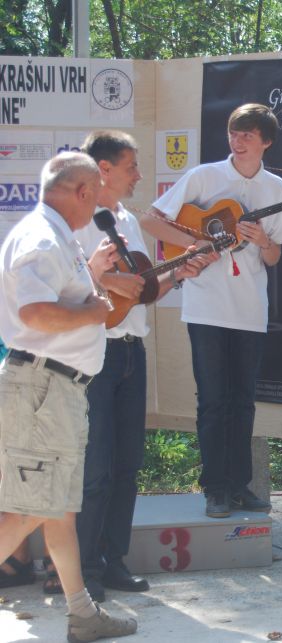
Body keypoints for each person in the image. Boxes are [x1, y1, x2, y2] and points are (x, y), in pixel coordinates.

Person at [0, 151, 137, 641]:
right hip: (44, 388)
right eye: (96, 194)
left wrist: (91, 291)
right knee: (29, 509)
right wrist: (93, 313)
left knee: (56, 507)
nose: (99, 204)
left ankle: (81, 612)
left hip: (56, 389)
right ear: (82, 192)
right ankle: (82, 611)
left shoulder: (59, 236)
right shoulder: (42, 237)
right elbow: (35, 313)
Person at [141, 104, 282, 518]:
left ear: (266, 141)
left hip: (249, 308)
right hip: (206, 305)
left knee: (243, 400)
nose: (237, 140)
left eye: (247, 134)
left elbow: (277, 256)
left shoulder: (277, 188)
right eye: (233, 132)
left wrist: (263, 240)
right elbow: (152, 220)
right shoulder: (204, 176)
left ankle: (239, 484)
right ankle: (214, 488)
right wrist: (191, 247)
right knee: (211, 399)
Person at [73, 131, 206, 602]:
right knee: (96, 468)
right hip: (94, 355)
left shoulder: (127, 217)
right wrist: (112, 279)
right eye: (132, 166)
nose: (139, 175)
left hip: (131, 350)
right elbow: (75, 279)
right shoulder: (76, 216)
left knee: (128, 464)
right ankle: (82, 570)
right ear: (104, 170)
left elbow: (140, 293)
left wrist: (179, 270)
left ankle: (114, 561)